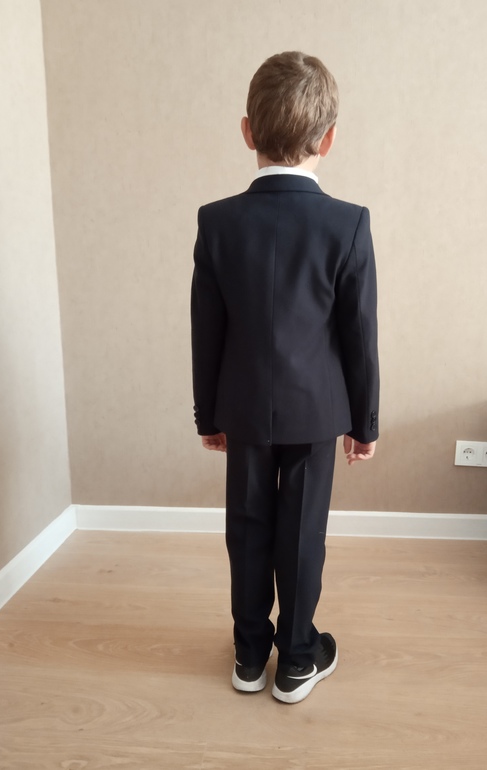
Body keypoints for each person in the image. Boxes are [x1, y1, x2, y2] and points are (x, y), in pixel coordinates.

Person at [191, 51, 379, 704]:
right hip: (318, 411)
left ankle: (249, 656)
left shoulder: (217, 221)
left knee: (246, 528)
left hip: (242, 408)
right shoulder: (348, 222)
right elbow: (359, 336)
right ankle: (297, 659)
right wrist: (365, 422)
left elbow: (206, 330)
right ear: (329, 139)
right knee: (302, 533)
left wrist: (208, 415)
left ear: (248, 131)